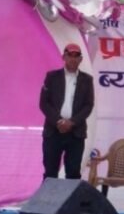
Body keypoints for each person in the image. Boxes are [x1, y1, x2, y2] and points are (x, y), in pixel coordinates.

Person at [39, 43, 95, 179]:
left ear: (81, 59)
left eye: (76, 56)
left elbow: (88, 105)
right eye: (70, 55)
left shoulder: (87, 80)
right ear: (63, 57)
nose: (73, 59)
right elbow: (44, 103)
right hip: (53, 131)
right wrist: (59, 121)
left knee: (73, 173)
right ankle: (49, 194)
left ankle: (71, 195)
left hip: (76, 132)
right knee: (50, 172)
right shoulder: (52, 77)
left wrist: (72, 122)